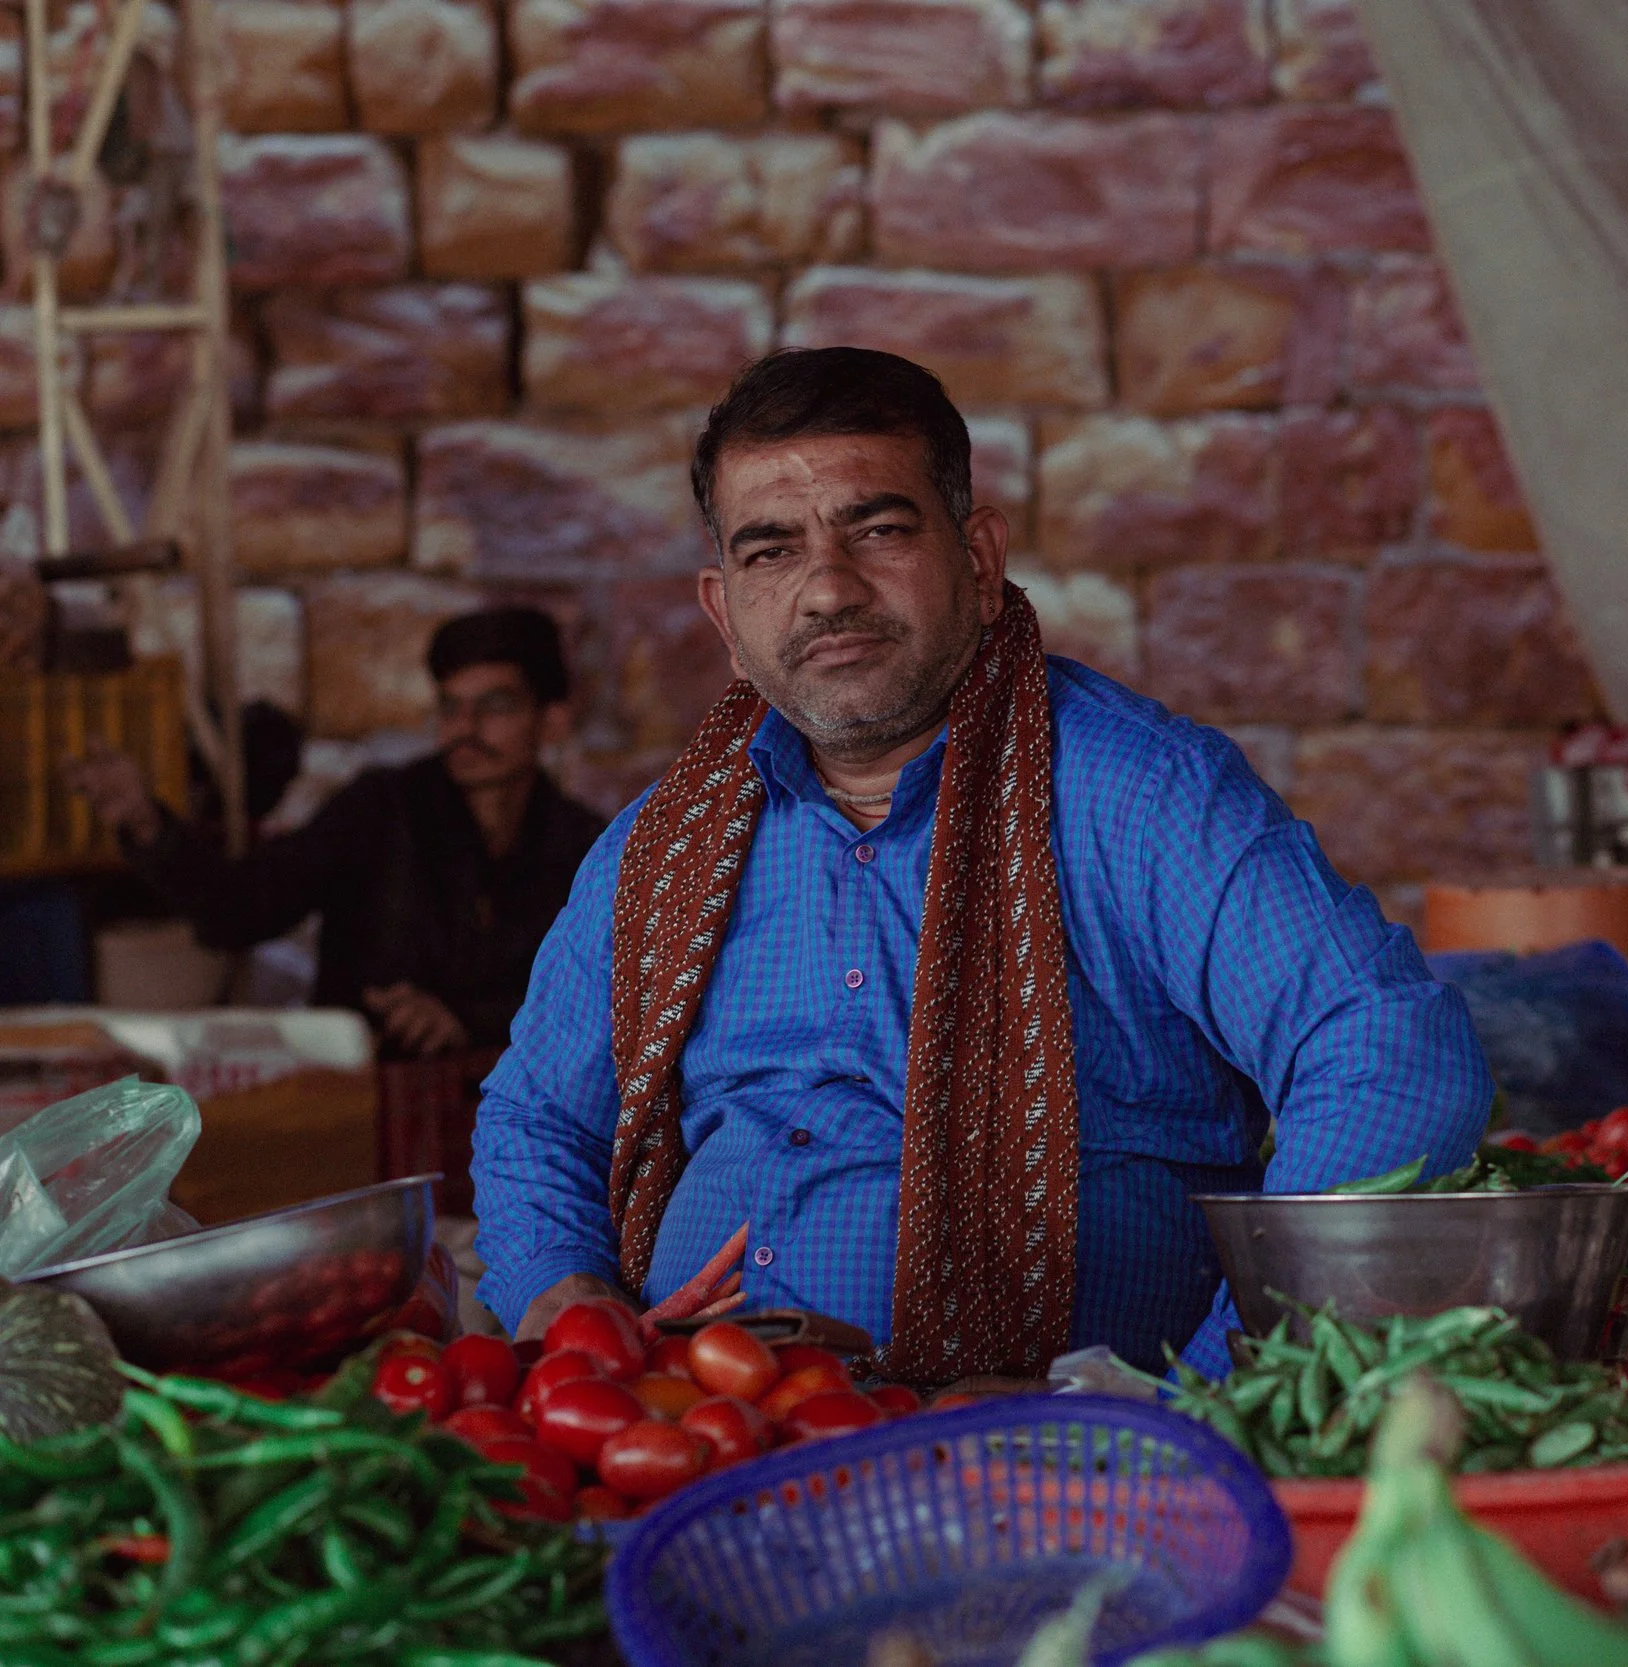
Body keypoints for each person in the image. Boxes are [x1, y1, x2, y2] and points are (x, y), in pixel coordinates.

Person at [470, 347, 1490, 1383]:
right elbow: (537, 1117)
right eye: (770, 551)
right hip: (696, 1437)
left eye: (878, 528)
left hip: (1066, 1461)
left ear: (979, 557)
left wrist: (1231, 1378)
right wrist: (565, 1291)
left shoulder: (1141, 797)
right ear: (725, 614)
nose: (827, 587)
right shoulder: (658, 848)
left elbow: (1386, 1046)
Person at [68, 607, 607, 1059]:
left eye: (495, 707)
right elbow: (243, 906)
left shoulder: (587, 847)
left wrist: (467, 1021)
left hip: (518, 1121)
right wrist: (144, 820)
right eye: (450, 706)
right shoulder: (379, 808)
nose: (465, 730)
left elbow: (607, 999)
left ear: (552, 722)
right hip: (368, 1107)